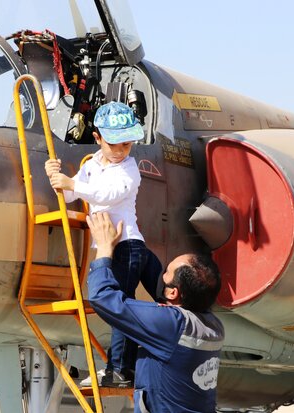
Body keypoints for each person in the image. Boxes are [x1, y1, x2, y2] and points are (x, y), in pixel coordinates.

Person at [45, 101, 154, 387]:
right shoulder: (92, 165)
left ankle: (119, 370)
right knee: (121, 306)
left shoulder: (129, 169)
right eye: (114, 144)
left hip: (126, 245)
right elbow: (70, 196)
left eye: (127, 145)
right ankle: (121, 368)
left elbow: (106, 194)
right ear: (97, 138)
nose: (120, 151)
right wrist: (55, 176)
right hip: (115, 247)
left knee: (119, 308)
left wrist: (71, 184)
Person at [86, 212, 224, 413]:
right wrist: (135, 246)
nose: (162, 273)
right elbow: (169, 304)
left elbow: (102, 298)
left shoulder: (170, 325)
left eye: (166, 271)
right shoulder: (213, 325)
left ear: (173, 292)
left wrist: (105, 247)